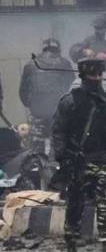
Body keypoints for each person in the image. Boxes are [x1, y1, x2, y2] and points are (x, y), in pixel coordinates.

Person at [52, 58, 106, 252]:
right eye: (91, 75)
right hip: (77, 161)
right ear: (83, 75)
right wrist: (62, 157)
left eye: (98, 74)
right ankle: (72, 248)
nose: (96, 78)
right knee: (75, 204)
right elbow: (59, 131)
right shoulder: (70, 101)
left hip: (103, 159)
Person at [18, 39, 74, 189]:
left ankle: (35, 186)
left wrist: (32, 105)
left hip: (37, 112)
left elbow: (23, 91)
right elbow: (70, 83)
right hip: (58, 113)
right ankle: (55, 185)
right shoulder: (65, 64)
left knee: (36, 150)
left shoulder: (31, 64)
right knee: (58, 149)